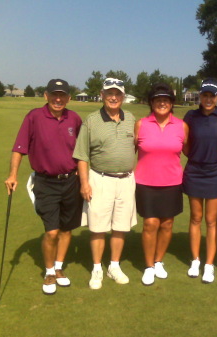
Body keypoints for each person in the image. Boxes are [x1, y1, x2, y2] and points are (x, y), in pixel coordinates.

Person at [4, 79, 83, 295]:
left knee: (67, 229)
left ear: (68, 98)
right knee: (52, 232)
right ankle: (48, 272)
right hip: (45, 182)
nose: (59, 99)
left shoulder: (74, 118)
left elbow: (83, 151)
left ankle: (59, 268)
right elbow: (19, 148)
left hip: (71, 182)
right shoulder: (34, 117)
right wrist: (12, 175)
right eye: (54, 95)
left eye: (63, 95)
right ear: (46, 96)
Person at [73, 78, 136, 290]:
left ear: (123, 96)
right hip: (99, 178)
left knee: (120, 227)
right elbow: (82, 155)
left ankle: (114, 266)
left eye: (117, 93)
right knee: (98, 227)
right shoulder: (91, 120)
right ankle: (97, 268)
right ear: (102, 95)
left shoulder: (131, 119)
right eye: (109, 93)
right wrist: (84, 183)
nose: (113, 97)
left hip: (126, 180)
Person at [134, 83, 189, 286]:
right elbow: (129, 151)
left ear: (172, 103)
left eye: (166, 100)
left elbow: (189, 151)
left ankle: (158, 261)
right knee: (150, 223)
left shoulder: (181, 126)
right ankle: (149, 266)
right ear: (151, 103)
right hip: (145, 182)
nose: (162, 103)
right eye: (158, 100)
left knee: (167, 224)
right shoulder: (141, 124)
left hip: (172, 182)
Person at [183, 79, 217, 283]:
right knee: (196, 218)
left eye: (212, 95)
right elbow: (184, 142)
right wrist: (194, 156)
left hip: (214, 172)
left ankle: (209, 265)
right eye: (205, 95)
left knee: (211, 220)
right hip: (194, 170)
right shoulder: (191, 116)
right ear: (200, 96)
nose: (208, 99)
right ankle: (196, 260)